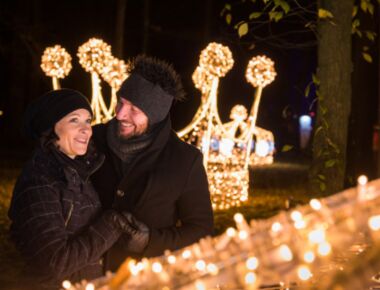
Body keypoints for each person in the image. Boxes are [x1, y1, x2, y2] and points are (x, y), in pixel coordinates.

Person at [91, 55, 214, 271]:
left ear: (155, 115)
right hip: (83, 274)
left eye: (134, 109)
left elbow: (200, 230)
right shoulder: (92, 140)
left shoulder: (184, 160)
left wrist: (151, 242)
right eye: (121, 102)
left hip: (140, 280)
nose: (120, 114)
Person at [8, 89, 135, 289]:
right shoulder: (39, 183)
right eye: (74, 120)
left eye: (88, 120)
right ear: (51, 128)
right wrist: (111, 224)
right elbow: (55, 262)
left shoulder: (76, 172)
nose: (86, 129)